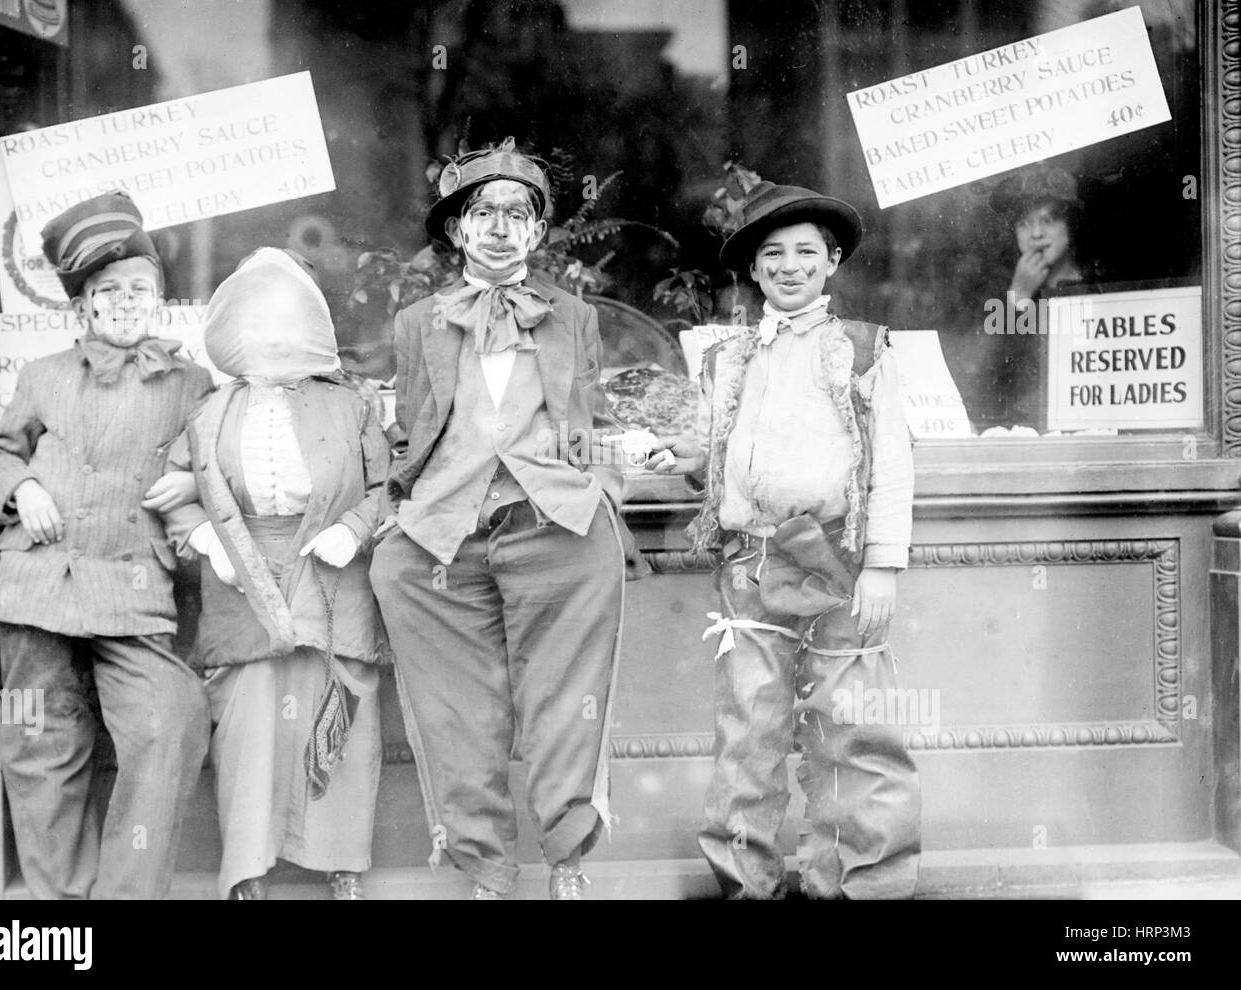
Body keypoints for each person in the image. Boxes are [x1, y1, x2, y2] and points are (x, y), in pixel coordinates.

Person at [650, 181, 922, 899]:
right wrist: (684, 460)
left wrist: (883, 568)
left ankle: (861, 887)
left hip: (839, 559)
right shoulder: (727, 358)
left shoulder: (863, 351)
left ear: (832, 262)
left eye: (807, 251)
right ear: (754, 269)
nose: (790, 265)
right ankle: (748, 885)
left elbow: (891, 460)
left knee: (854, 736)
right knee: (749, 735)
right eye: (773, 253)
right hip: (751, 564)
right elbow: (722, 459)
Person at [369, 139, 626, 900]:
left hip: (553, 523)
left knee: (565, 702)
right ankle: (484, 867)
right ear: (457, 231)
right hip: (447, 531)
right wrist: (395, 505)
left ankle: (568, 864)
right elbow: (414, 429)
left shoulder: (572, 315)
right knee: (459, 711)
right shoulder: (418, 322)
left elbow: (592, 414)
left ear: (540, 234)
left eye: (520, 214)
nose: (501, 227)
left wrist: (603, 477)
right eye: (484, 212)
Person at [0, 191, 212, 899]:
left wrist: (192, 483)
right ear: (82, 308)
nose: (128, 301)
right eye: (110, 291)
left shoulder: (191, 383)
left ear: (161, 302)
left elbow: (220, 462)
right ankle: (60, 906)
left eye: (142, 289)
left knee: (169, 722)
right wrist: (23, 490)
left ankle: (128, 898)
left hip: (132, 585)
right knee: (43, 745)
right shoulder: (43, 376)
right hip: (37, 582)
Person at [161, 247, 392, 901]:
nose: (274, 338)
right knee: (248, 720)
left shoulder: (351, 405)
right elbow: (175, 490)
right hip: (242, 576)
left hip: (331, 573)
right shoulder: (213, 411)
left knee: (338, 707)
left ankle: (340, 860)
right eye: (260, 324)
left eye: (287, 323)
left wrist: (352, 531)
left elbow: (388, 484)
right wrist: (207, 537)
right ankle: (247, 868)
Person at [978, 165, 1090, 431]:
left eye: (1048, 221)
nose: (1036, 234)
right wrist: (1019, 296)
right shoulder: (1001, 292)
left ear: (1070, 226)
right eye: (1024, 224)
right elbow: (991, 378)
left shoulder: (1095, 287)